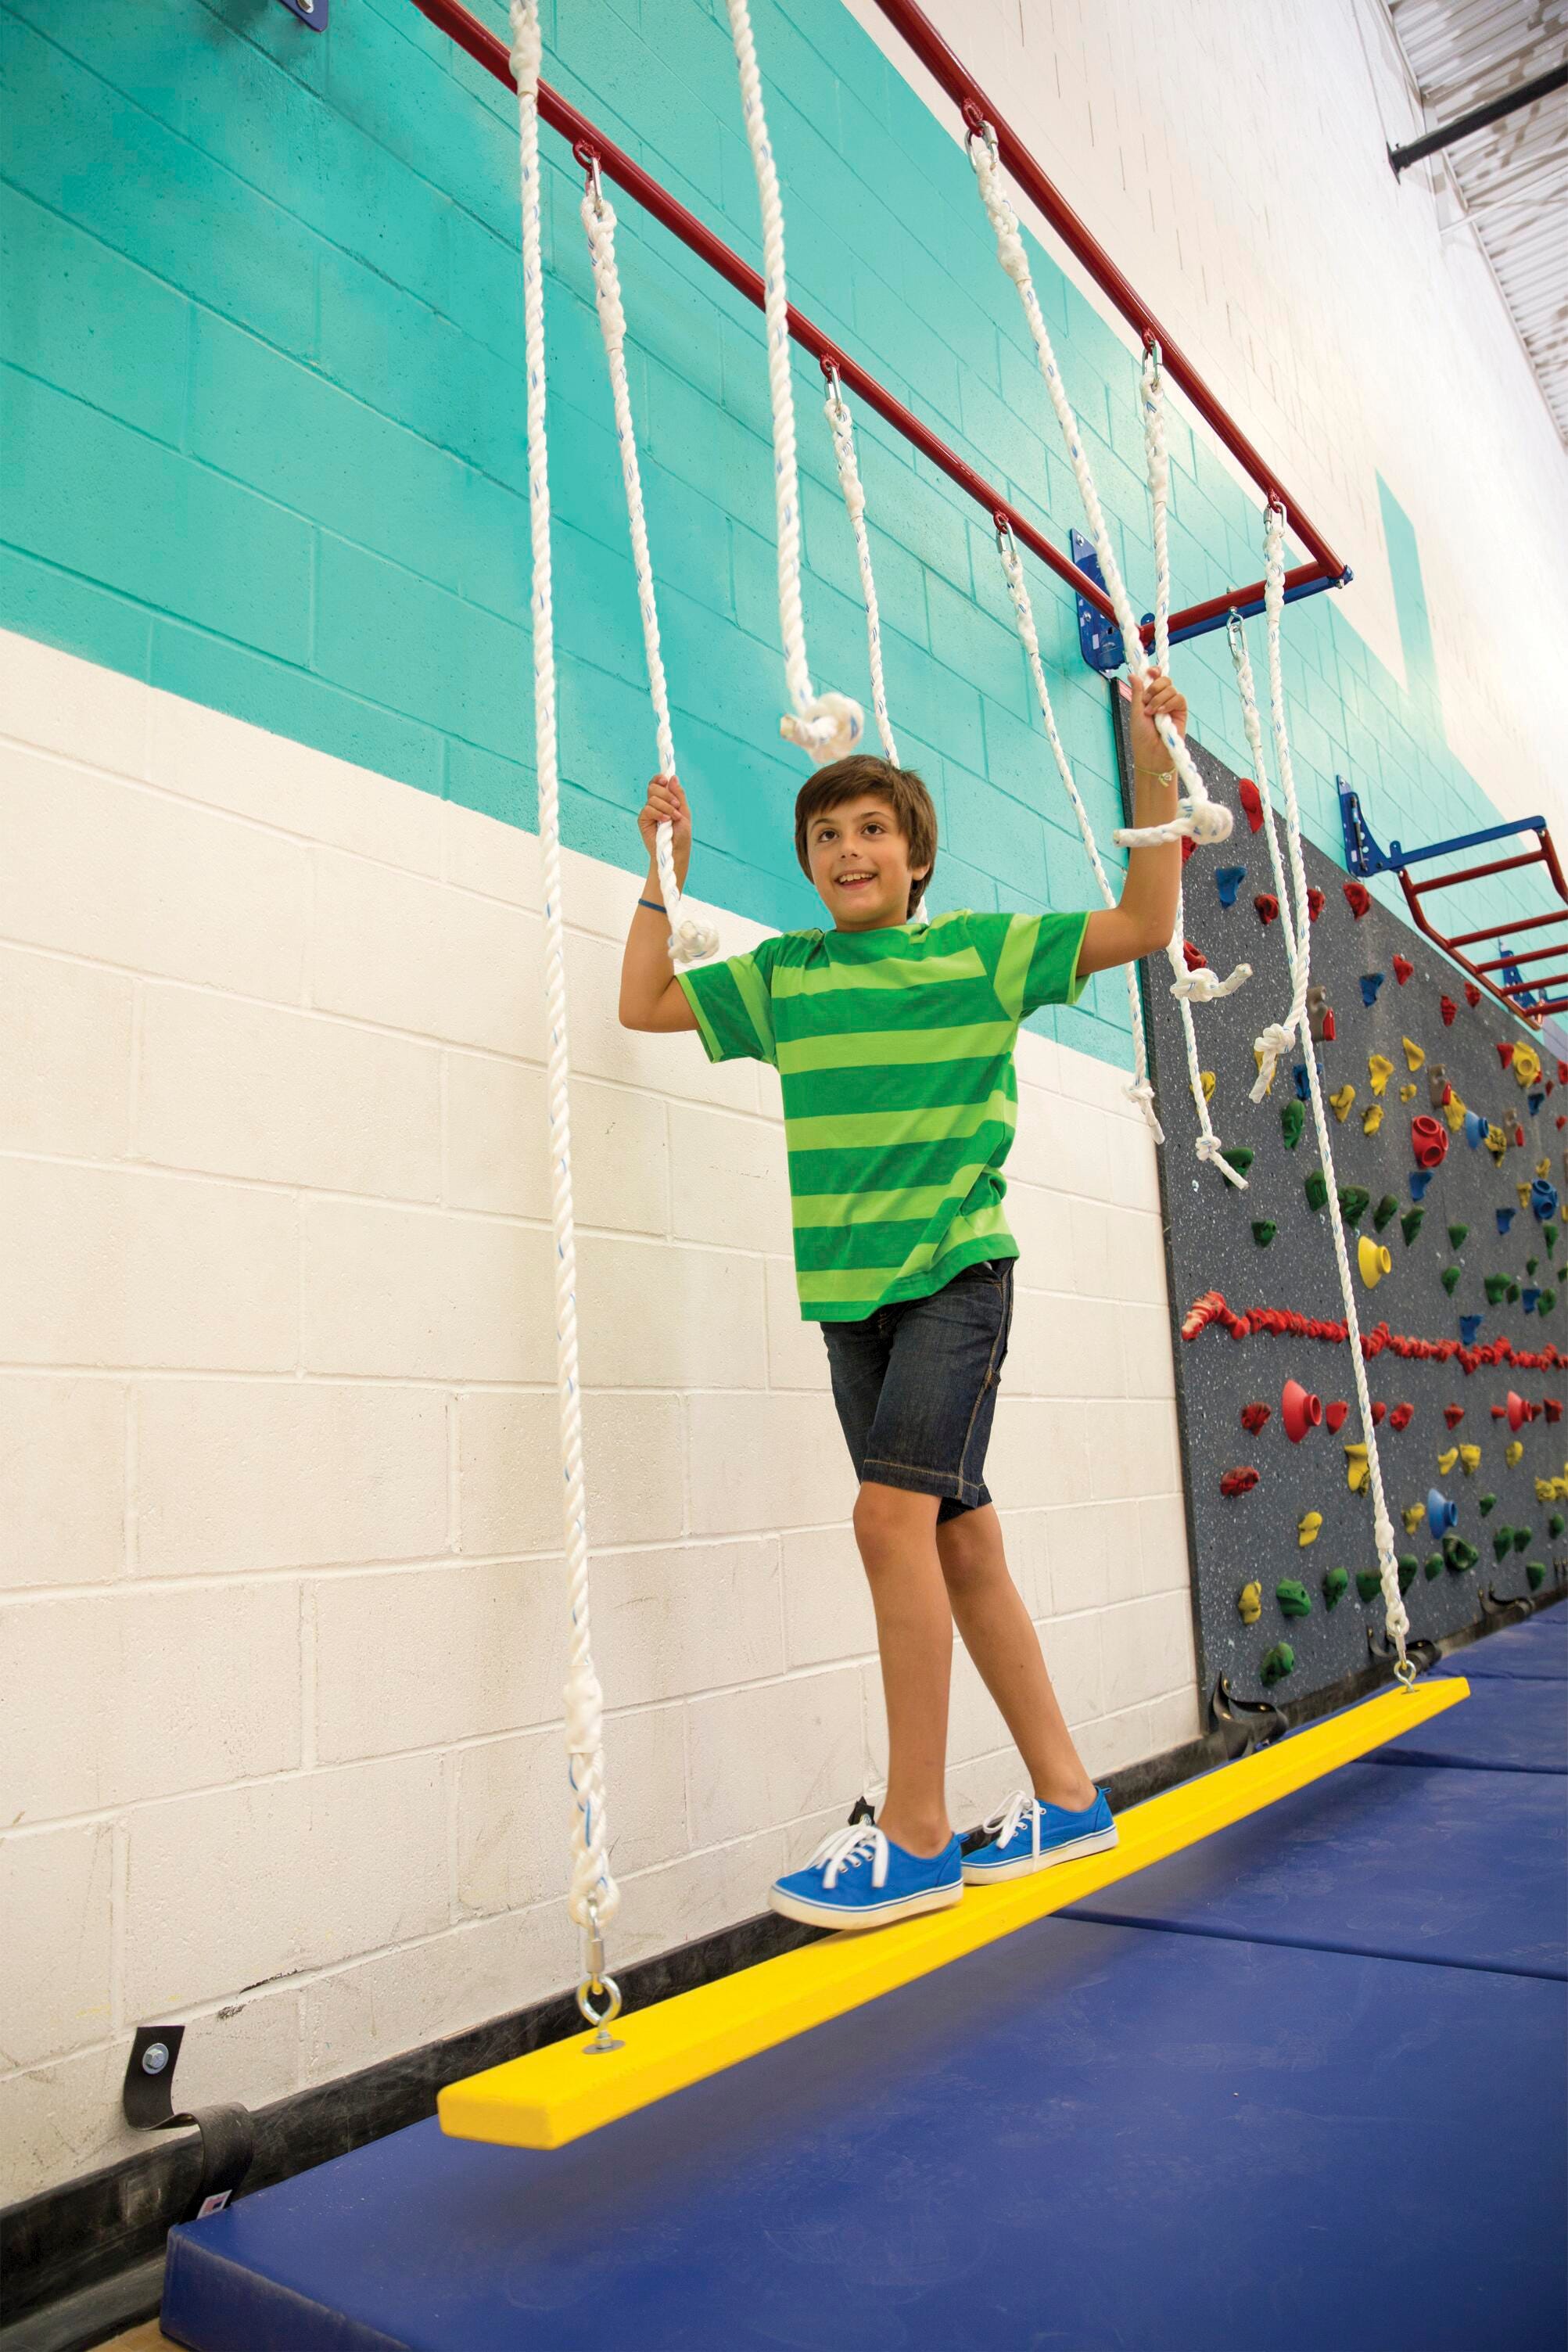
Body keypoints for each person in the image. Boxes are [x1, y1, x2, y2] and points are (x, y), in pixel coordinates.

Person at [618, 670, 1187, 1930]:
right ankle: (1066, 1794)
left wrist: (1151, 763)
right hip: (848, 1303)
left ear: (913, 857)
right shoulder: (784, 978)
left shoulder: (979, 954)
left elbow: (1146, 923)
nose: (846, 848)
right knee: (953, 1534)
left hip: (954, 1278)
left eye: (871, 829)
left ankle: (918, 1832)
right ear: (810, 869)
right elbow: (642, 1001)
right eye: (825, 836)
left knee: (889, 1525)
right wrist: (662, 871)